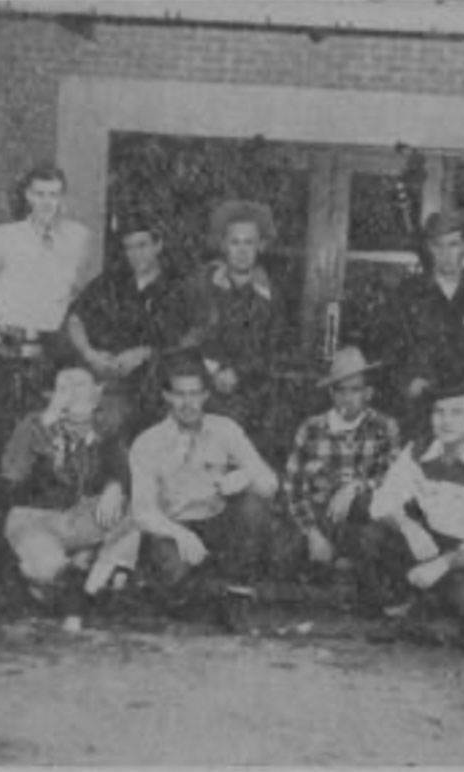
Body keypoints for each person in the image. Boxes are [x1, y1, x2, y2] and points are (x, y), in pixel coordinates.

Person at [129, 349, 280, 633]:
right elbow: (143, 511)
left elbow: (270, 483)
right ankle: (196, 596)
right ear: (166, 396)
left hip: (217, 521)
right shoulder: (148, 442)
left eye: (196, 394)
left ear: (206, 396)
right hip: (174, 525)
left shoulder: (225, 429)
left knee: (254, 504)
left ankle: (237, 593)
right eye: (180, 394)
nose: (188, 403)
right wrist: (180, 534)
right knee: (174, 582)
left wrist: (246, 475)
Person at [360, 381, 464, 644]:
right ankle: (413, 613)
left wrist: (443, 564)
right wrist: (408, 527)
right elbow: (382, 502)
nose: (446, 422)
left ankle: (430, 617)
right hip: (430, 542)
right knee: (371, 535)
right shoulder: (418, 451)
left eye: (457, 413)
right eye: (439, 412)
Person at [0, 367, 140, 632]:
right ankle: (71, 581)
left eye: (82, 385)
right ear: (51, 395)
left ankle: (88, 581)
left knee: (133, 515)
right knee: (44, 567)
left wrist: (115, 486)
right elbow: (12, 474)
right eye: (65, 387)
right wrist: (44, 423)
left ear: (97, 394)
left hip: (81, 518)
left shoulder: (104, 429)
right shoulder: (34, 425)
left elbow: (123, 469)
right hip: (35, 520)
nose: (75, 393)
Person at [0, 163, 92, 409]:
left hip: (52, 350)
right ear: (28, 196)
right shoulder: (6, 236)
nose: (47, 202)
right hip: (7, 346)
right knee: (0, 428)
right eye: (40, 194)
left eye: (54, 195)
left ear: (62, 197)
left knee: (44, 428)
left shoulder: (78, 238)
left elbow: (78, 291)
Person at [280, 347, 401, 588]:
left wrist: (356, 487)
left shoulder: (384, 426)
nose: (348, 398)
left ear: (368, 392)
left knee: (374, 540)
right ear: (331, 394)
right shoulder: (312, 428)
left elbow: (393, 477)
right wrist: (312, 533)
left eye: (355, 389)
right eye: (340, 390)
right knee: (285, 552)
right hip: (319, 516)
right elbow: (293, 488)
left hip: (361, 519)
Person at [170, 200, 283, 437]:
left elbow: (275, 350)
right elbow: (181, 342)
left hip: (253, 401)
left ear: (260, 246)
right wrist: (212, 370)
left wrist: (239, 373)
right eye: (235, 242)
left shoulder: (272, 296)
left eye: (249, 243)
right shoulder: (200, 287)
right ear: (223, 245)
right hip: (202, 396)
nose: (242, 251)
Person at [378, 210, 464, 439]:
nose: (446, 254)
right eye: (439, 246)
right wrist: (407, 382)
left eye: (453, 245)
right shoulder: (408, 294)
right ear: (430, 248)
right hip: (422, 409)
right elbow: (391, 351)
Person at [66, 212, 180, 437]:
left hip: (149, 382)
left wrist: (146, 352)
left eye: (142, 246)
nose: (136, 254)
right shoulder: (111, 282)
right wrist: (89, 353)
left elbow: (186, 338)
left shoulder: (176, 287)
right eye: (129, 248)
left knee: (112, 419)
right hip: (101, 371)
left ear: (158, 246)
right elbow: (75, 319)